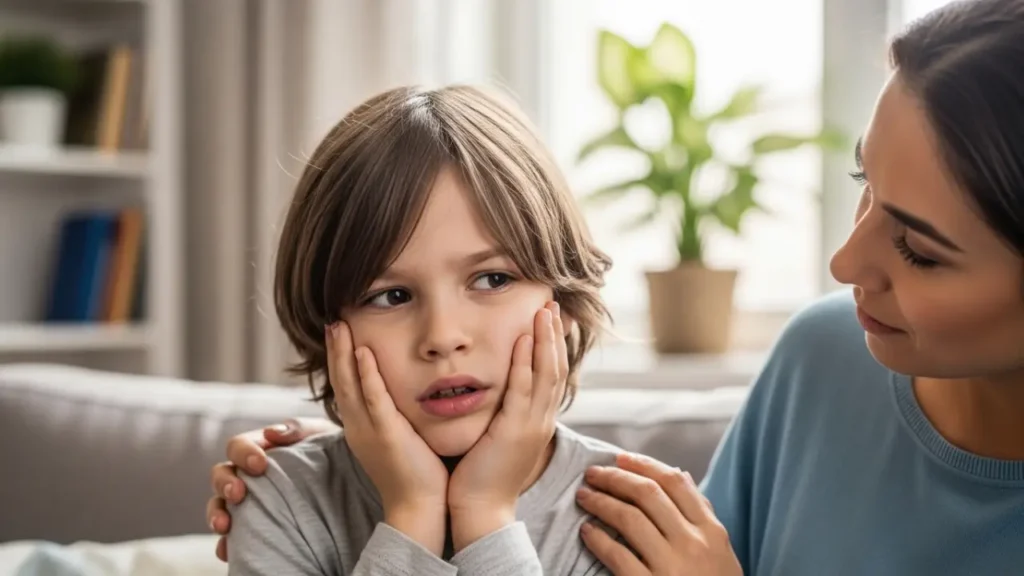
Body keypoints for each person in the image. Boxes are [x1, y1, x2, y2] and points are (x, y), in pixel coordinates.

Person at [206, 0, 1024, 574]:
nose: (844, 264)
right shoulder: (827, 350)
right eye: (863, 183)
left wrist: (473, 520)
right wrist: (399, 503)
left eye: (918, 248)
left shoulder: (593, 520)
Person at [215, 83, 725, 575]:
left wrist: (485, 515)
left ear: (564, 301)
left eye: (492, 279)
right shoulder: (278, 499)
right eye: (391, 296)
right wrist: (413, 514)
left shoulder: (632, 524)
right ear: (329, 329)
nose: (442, 336)